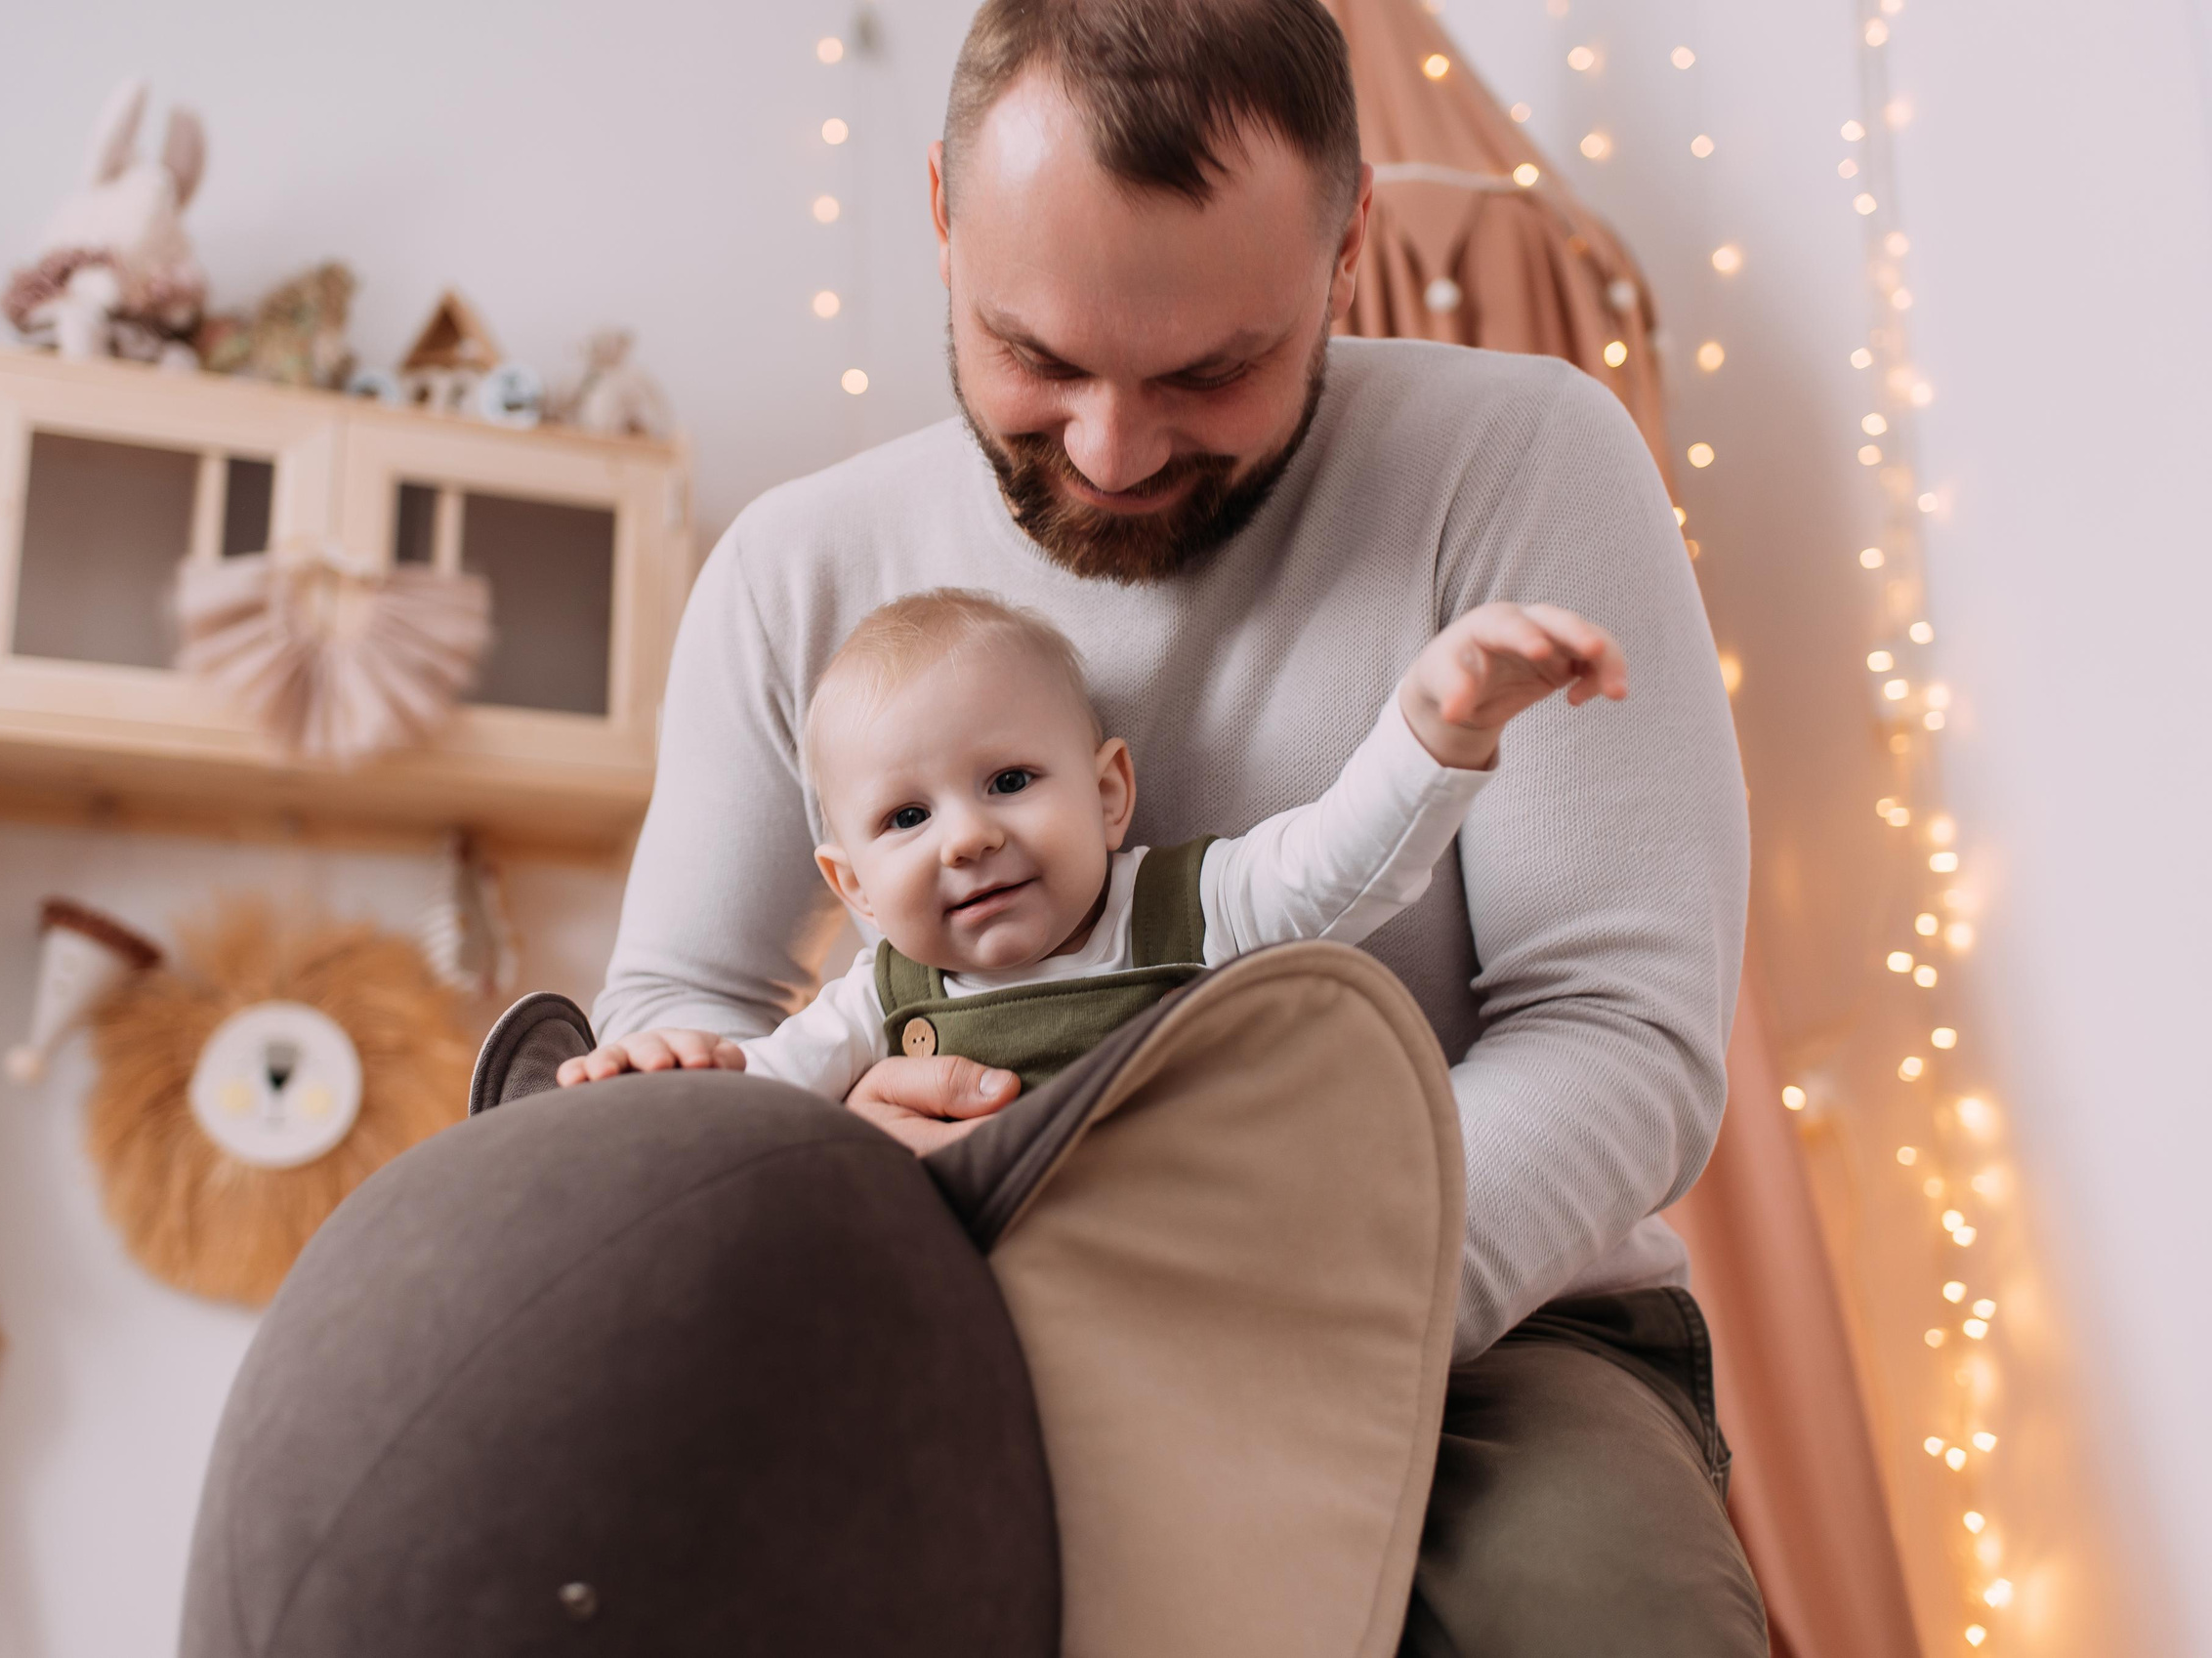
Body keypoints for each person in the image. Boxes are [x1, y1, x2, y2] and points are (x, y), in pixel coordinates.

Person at [594, 0, 1762, 1648]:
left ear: (1348, 247)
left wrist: (1244, 1309)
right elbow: (677, 1021)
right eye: (1037, 358)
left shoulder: (1521, 458)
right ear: (941, 213)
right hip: (945, 1310)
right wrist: (857, 1175)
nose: (1112, 448)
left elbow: (1616, 1035)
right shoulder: (791, 569)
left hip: (1480, 1339)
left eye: (1210, 370)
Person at [561, 587, 1624, 1103]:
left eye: (1009, 782)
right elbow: (754, 1111)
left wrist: (1434, 725)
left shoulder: (1185, 907)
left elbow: (1339, 864)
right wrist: (667, 1069)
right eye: (906, 819)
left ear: (1109, 795)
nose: (968, 838)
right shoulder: (873, 1005)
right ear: (855, 890)